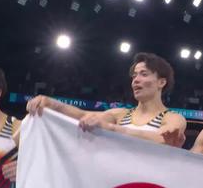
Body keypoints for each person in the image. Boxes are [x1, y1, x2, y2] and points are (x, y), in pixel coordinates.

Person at [26, 52, 186, 144]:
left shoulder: (173, 118)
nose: (136, 80)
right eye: (134, 75)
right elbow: (83, 116)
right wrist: (51, 103)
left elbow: (162, 139)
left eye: (143, 74)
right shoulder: (121, 115)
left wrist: (111, 129)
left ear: (161, 82)